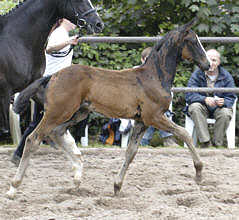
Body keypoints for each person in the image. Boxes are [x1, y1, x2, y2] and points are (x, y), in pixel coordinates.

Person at [11, 19, 79, 166]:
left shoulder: (63, 33)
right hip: (49, 83)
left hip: (55, 83)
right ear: (64, 20)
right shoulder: (59, 34)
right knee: (38, 121)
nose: (75, 23)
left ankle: (48, 139)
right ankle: (20, 153)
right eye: (71, 20)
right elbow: (49, 48)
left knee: (43, 119)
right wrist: (68, 42)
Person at [185, 49, 237, 148]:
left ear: (219, 62)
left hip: (219, 108)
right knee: (194, 107)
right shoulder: (197, 74)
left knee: (226, 113)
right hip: (202, 107)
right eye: (208, 59)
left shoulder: (226, 76)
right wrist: (204, 99)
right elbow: (189, 95)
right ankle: (206, 143)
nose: (210, 63)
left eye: (214, 60)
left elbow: (232, 96)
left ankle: (217, 144)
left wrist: (224, 102)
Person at [138, 47, 179, 147]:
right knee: (151, 113)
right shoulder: (135, 71)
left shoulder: (162, 74)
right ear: (142, 60)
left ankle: (168, 139)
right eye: (148, 59)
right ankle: (143, 142)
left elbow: (166, 94)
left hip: (155, 107)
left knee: (158, 113)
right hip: (139, 106)